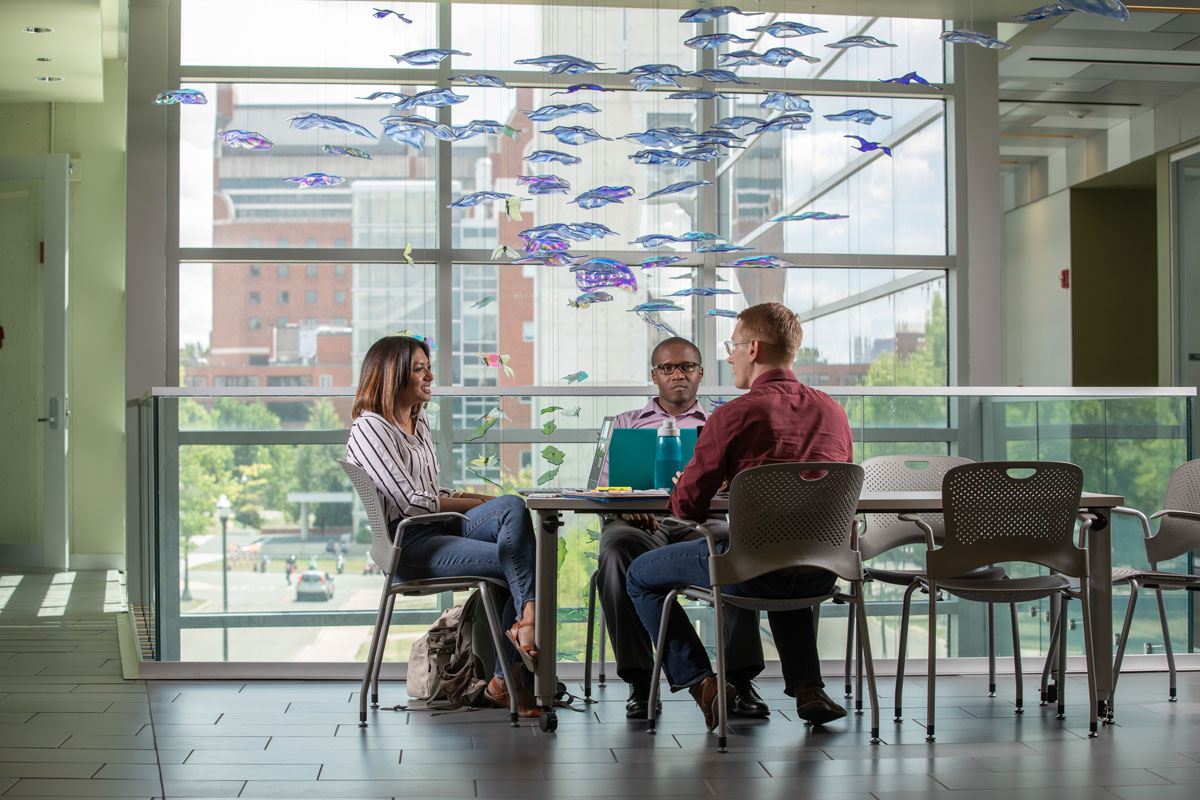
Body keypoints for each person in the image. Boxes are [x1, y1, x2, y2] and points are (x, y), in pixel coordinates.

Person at [626, 303, 855, 731]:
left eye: (732, 346)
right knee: (788, 551)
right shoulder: (834, 412)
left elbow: (688, 506)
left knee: (640, 574)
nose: (729, 356)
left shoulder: (733, 415)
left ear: (753, 348)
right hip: (821, 569)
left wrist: (704, 484)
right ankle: (808, 688)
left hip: (750, 571)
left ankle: (703, 684)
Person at [346, 334, 542, 717]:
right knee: (515, 558)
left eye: (427, 368)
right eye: (419, 369)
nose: (429, 376)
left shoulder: (418, 423)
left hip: (442, 529)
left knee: (512, 511)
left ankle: (516, 654)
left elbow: (432, 491)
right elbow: (411, 503)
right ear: (392, 375)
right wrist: (474, 502)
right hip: (411, 545)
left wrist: (481, 500)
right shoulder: (369, 428)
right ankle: (512, 673)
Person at [595, 337, 769, 720]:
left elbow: (746, 485)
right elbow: (603, 488)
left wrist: (726, 484)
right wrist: (628, 504)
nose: (678, 375)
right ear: (654, 375)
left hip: (703, 523)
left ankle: (738, 680)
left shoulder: (721, 423)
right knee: (614, 552)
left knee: (737, 547)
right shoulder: (624, 424)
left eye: (687, 367)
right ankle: (642, 682)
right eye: (668, 368)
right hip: (640, 525)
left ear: (701, 373)